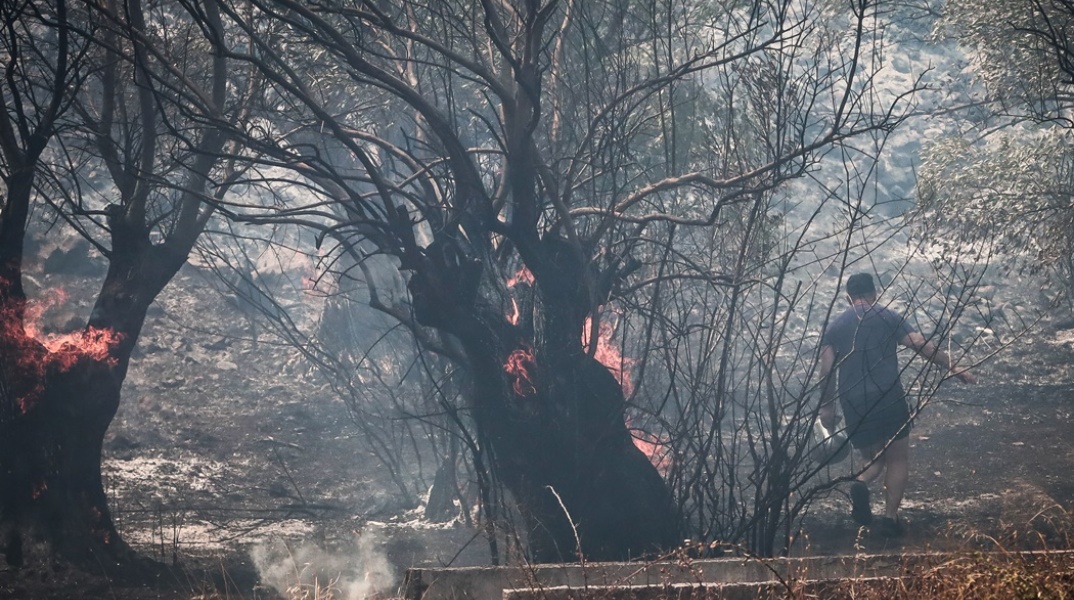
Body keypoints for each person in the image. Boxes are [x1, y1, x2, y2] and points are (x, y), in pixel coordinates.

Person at [818, 273, 976, 536]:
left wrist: (827, 407)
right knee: (897, 458)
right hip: (889, 396)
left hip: (854, 401)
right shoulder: (888, 317)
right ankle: (890, 519)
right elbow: (920, 344)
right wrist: (954, 367)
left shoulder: (835, 327)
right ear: (874, 293)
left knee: (872, 458)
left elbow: (826, 370)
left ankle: (861, 482)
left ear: (848, 298)